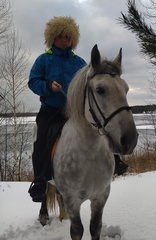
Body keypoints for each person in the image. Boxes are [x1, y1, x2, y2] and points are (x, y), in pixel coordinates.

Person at [28, 16, 128, 202]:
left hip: (76, 111)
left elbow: (90, 84)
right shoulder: (44, 60)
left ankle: (115, 160)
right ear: (53, 38)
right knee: (42, 139)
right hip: (51, 110)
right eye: (60, 36)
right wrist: (48, 86)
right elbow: (33, 82)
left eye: (68, 37)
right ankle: (41, 180)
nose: (64, 40)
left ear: (73, 40)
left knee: (99, 126)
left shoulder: (80, 62)